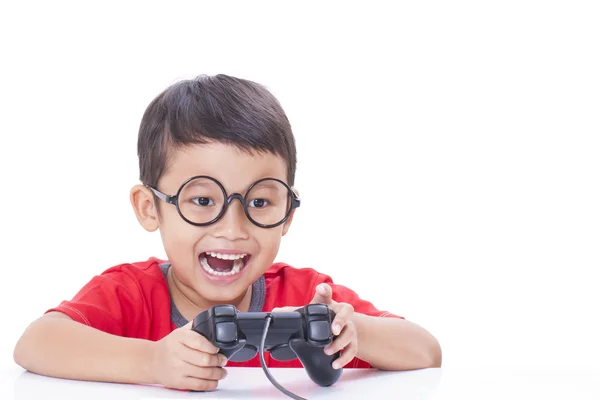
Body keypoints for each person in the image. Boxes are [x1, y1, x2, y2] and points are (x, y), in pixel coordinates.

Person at [13, 74, 442, 392]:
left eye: (259, 202)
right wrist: (152, 362)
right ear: (150, 208)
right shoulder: (130, 292)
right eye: (202, 201)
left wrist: (355, 333)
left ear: (288, 214)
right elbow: (36, 343)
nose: (232, 229)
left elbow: (426, 351)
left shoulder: (306, 296)